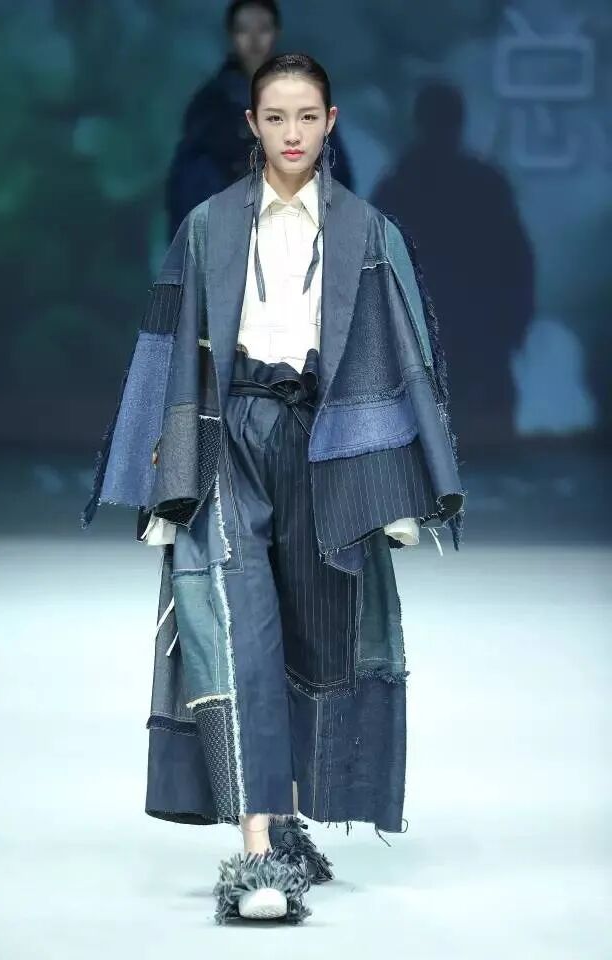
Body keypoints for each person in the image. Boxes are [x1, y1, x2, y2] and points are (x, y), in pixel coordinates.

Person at [82, 54, 465, 925]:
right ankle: (256, 852)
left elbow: (401, 359)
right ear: (252, 125)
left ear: (331, 123)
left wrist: (397, 486)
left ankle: (286, 822)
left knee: (314, 634)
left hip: (325, 445)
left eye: (307, 117)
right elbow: (168, 350)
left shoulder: (368, 230)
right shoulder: (209, 226)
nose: (292, 133)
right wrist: (164, 477)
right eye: (276, 117)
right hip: (229, 435)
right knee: (234, 628)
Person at [371, 80, 534, 448]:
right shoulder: (483, 184)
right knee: (486, 450)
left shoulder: (399, 187)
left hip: (435, 343)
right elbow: (517, 263)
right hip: (474, 339)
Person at [165, 0, 353, 241]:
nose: (254, 40)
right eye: (244, 30)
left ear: (276, 32)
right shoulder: (210, 104)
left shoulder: (306, 95)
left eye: (262, 29)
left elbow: (335, 172)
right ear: (232, 35)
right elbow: (186, 188)